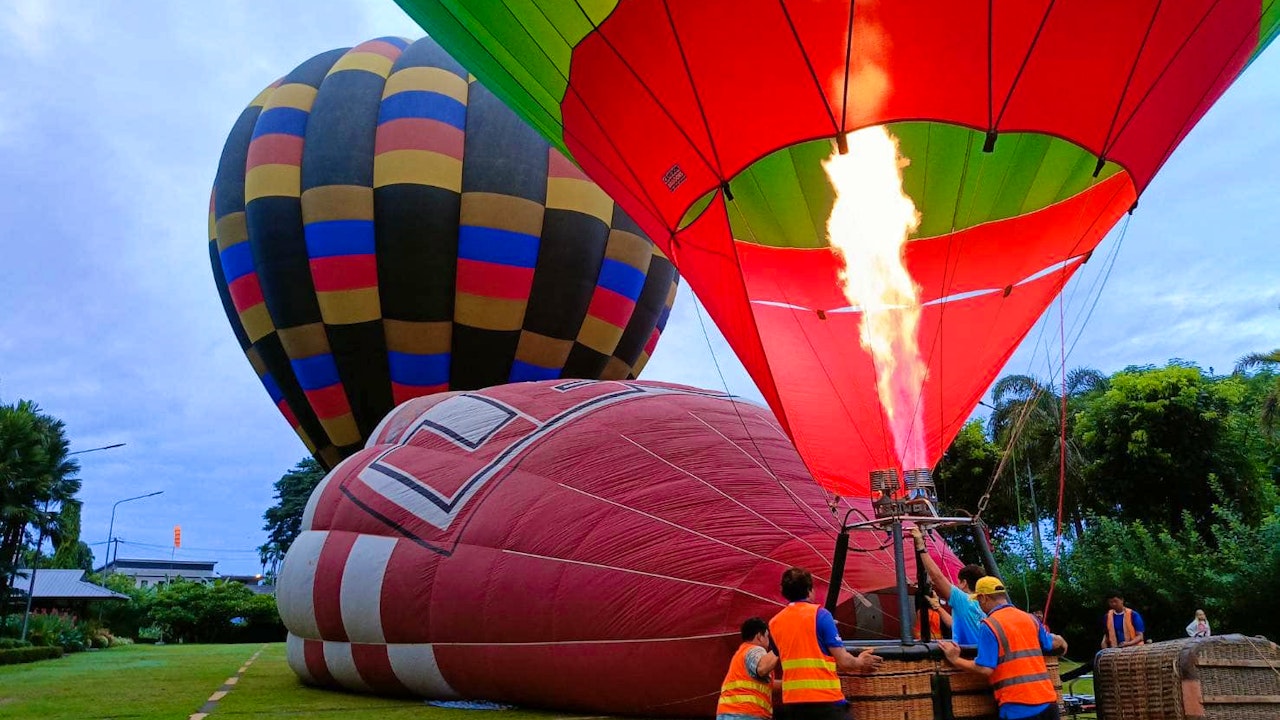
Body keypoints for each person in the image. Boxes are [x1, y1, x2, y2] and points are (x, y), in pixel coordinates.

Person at [940, 577, 1068, 720]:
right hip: (1048, 703)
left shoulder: (989, 625)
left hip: (1018, 707)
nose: (979, 605)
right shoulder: (1030, 619)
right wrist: (1061, 641)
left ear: (983, 598)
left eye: (978, 600)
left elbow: (985, 668)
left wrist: (955, 659)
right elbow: (1051, 642)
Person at [769, 567, 882, 720]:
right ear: (809, 590)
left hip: (793, 705)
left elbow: (774, 658)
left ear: (784, 592)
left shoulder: (775, 623)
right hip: (826, 702)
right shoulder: (821, 615)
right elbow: (845, 662)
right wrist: (861, 662)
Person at [911, 527, 986, 644]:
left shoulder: (963, 600)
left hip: (969, 656)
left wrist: (921, 548)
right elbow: (954, 624)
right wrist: (938, 608)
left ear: (964, 583)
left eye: (958, 581)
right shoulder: (985, 604)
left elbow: (937, 577)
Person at [716, 617, 779, 720]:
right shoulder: (754, 650)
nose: (769, 642)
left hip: (729, 713)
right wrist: (780, 646)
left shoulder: (741, 654)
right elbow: (762, 668)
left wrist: (788, 683)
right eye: (767, 637)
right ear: (759, 636)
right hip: (745, 713)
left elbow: (767, 683)